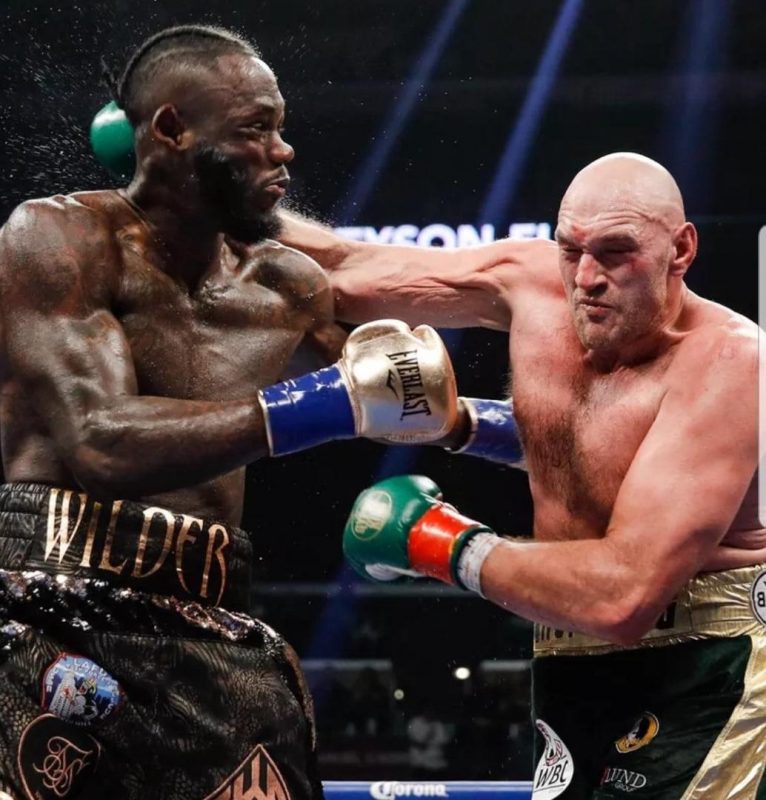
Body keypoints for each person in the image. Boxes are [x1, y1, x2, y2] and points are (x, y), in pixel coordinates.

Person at [0, 24, 460, 800]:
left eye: (279, 128)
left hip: (213, 627)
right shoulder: (59, 238)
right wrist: (331, 402)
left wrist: (493, 423)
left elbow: (400, 397)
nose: (283, 150)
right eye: (255, 129)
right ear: (171, 130)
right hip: (49, 612)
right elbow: (101, 442)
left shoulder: (287, 286)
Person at [279, 153, 765, 798]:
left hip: (709, 660)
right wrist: (214, 199)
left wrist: (437, 542)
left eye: (616, 253)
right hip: (565, 657)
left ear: (680, 250)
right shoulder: (534, 282)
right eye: (571, 249)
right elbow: (341, 268)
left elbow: (624, 595)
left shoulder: (731, 362)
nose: (586, 278)